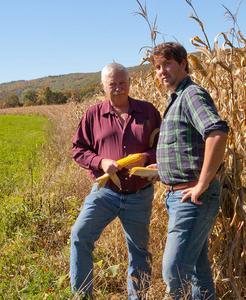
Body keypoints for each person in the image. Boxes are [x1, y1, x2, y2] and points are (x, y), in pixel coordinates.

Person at [70, 62, 162, 299]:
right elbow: (78, 150)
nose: (119, 88)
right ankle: (82, 295)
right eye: (113, 84)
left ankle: (137, 297)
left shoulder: (148, 111)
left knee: (139, 250)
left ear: (130, 83)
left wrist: (146, 157)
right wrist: (101, 162)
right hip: (105, 191)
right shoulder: (93, 114)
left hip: (139, 195)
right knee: (80, 235)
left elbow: (163, 147)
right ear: (103, 86)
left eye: (123, 83)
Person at [149, 42, 229, 299]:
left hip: (192, 199)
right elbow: (187, 146)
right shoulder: (177, 98)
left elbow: (216, 133)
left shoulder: (191, 94)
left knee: (174, 269)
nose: (162, 71)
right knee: (196, 266)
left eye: (168, 64)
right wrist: (163, 167)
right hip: (178, 197)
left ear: (183, 64)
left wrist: (203, 183)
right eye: (158, 67)